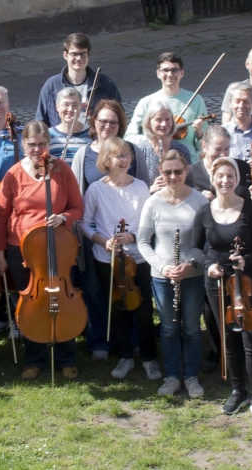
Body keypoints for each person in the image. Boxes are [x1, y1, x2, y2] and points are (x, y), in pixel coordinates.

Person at [0, 121, 85, 379]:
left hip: (58, 247)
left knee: (61, 300)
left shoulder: (62, 170)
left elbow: (78, 208)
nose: (37, 149)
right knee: (32, 305)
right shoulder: (13, 174)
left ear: (49, 144)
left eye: (42, 144)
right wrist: (0, 253)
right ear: (24, 145)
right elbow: (0, 217)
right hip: (21, 250)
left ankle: (66, 357)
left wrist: (64, 218)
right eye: (32, 145)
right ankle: (36, 359)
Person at [191, 157, 252, 421]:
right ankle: (238, 390)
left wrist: (246, 259)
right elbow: (195, 247)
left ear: (237, 180)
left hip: (246, 283)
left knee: (250, 337)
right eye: (220, 176)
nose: (225, 181)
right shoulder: (204, 211)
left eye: (230, 176)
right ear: (213, 178)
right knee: (228, 338)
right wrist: (208, 265)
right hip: (216, 281)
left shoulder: (249, 210)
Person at [187, 125, 252, 353]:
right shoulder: (193, 173)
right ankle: (218, 352)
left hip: (239, 239)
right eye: (218, 149)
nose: (223, 154)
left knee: (246, 295)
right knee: (212, 304)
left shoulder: (239, 167)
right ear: (204, 147)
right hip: (209, 243)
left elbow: (248, 201)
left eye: (227, 148)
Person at [80, 138, 158, 381]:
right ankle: (125, 356)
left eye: (126, 155)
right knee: (118, 309)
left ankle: (149, 358)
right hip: (107, 259)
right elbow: (83, 222)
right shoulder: (96, 189)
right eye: (118, 156)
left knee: (144, 310)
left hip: (139, 258)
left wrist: (134, 236)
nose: (124, 160)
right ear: (106, 160)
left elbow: (151, 223)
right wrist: (103, 241)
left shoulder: (141, 187)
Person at [71, 100, 141, 360]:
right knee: (96, 289)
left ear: (120, 124)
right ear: (94, 123)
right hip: (96, 239)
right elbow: (79, 199)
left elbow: (140, 184)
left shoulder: (130, 150)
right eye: (103, 121)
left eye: (113, 121)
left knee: (129, 290)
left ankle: (132, 339)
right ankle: (100, 339)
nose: (108, 126)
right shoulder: (83, 154)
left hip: (129, 240)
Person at [137, 150, 209, 397]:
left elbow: (206, 243)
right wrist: (162, 267)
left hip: (193, 275)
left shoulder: (200, 201)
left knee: (190, 327)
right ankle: (171, 376)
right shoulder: (153, 202)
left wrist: (190, 264)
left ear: (187, 171)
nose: (173, 176)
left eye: (178, 171)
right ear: (161, 172)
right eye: (168, 172)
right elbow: (143, 242)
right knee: (168, 327)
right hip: (163, 277)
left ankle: (190, 376)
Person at [125, 52, 206, 161]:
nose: (170, 74)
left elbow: (205, 143)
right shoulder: (146, 102)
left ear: (182, 73)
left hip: (189, 162)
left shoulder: (196, 100)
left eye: (174, 70)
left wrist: (199, 133)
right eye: (165, 70)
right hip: (156, 162)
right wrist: (151, 138)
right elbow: (129, 137)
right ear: (158, 73)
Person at [35, 33, 122, 127]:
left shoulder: (105, 84)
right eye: (74, 54)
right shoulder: (51, 85)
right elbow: (41, 122)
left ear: (88, 55)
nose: (79, 58)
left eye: (83, 54)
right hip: (60, 140)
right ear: (65, 55)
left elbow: (119, 118)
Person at [126, 99, 192, 191]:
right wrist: (150, 189)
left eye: (167, 119)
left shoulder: (182, 150)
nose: (164, 124)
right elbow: (131, 186)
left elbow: (190, 182)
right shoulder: (140, 150)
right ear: (149, 123)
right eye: (158, 120)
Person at [48, 87, 92, 163]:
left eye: (75, 105)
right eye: (66, 104)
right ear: (57, 107)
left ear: (80, 107)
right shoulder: (48, 135)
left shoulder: (92, 134)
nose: (70, 109)